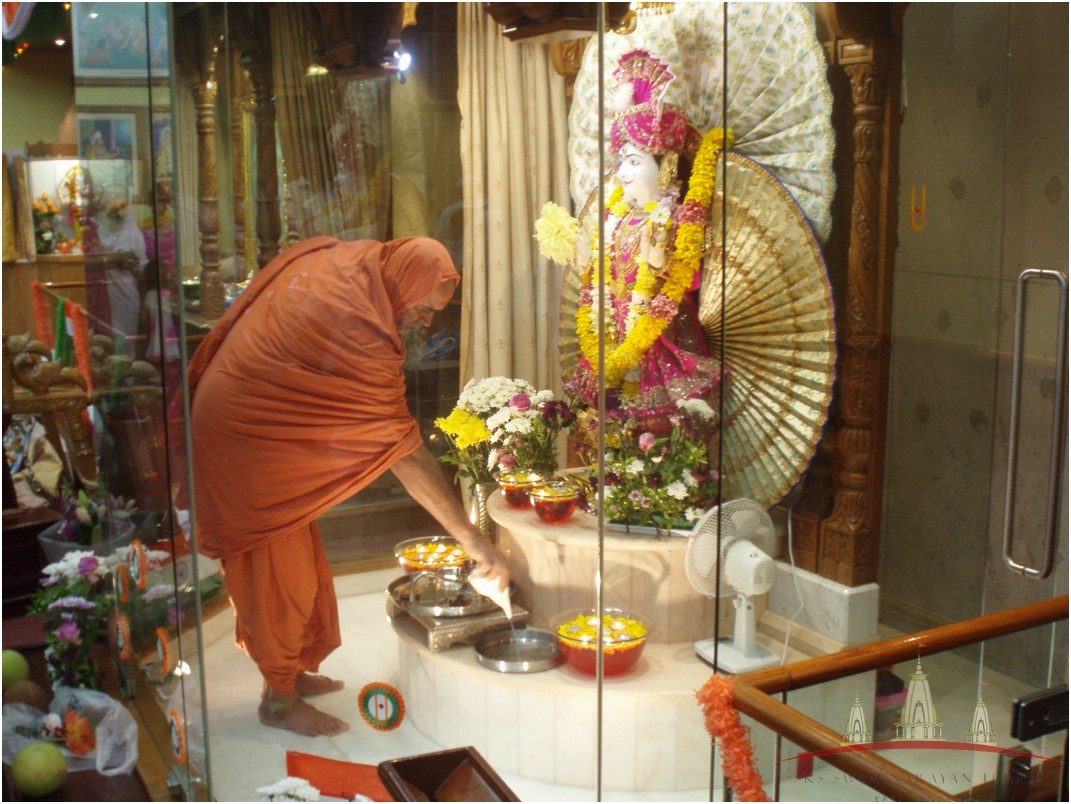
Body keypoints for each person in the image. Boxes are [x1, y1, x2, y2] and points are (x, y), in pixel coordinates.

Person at [187, 236, 510, 737]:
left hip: (259, 414)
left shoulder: (360, 271)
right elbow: (404, 451)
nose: (427, 322)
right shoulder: (358, 321)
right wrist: (473, 540)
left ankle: (287, 671)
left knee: (297, 555)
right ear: (402, 284)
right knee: (278, 571)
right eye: (424, 309)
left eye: (435, 313)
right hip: (243, 430)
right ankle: (278, 699)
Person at [566, 50, 722, 427]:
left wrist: (659, 259)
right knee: (606, 423)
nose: (622, 173)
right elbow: (604, 272)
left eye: (634, 162)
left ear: (665, 167)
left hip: (657, 333)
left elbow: (686, 277)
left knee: (659, 428)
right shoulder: (617, 218)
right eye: (620, 162)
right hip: (614, 330)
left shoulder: (671, 217)